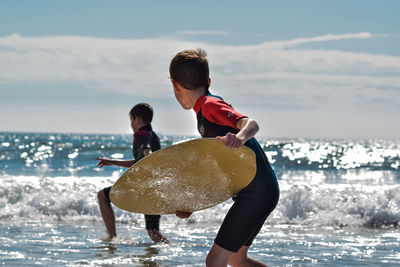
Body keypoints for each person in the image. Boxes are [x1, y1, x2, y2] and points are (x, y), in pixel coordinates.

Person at [170, 49, 279, 267]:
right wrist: (193, 203)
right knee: (238, 260)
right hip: (260, 191)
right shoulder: (205, 112)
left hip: (255, 194)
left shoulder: (210, 105)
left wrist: (239, 137)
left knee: (215, 261)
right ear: (208, 80)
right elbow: (218, 171)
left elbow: (252, 123)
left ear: (175, 85)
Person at [96, 103, 169, 244]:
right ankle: (172, 250)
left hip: (143, 187)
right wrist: (112, 161)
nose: (131, 124)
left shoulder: (140, 135)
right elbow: (139, 161)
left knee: (102, 196)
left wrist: (148, 154)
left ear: (137, 120)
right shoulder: (154, 136)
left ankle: (112, 237)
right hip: (154, 188)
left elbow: (146, 151)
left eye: (131, 120)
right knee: (153, 232)